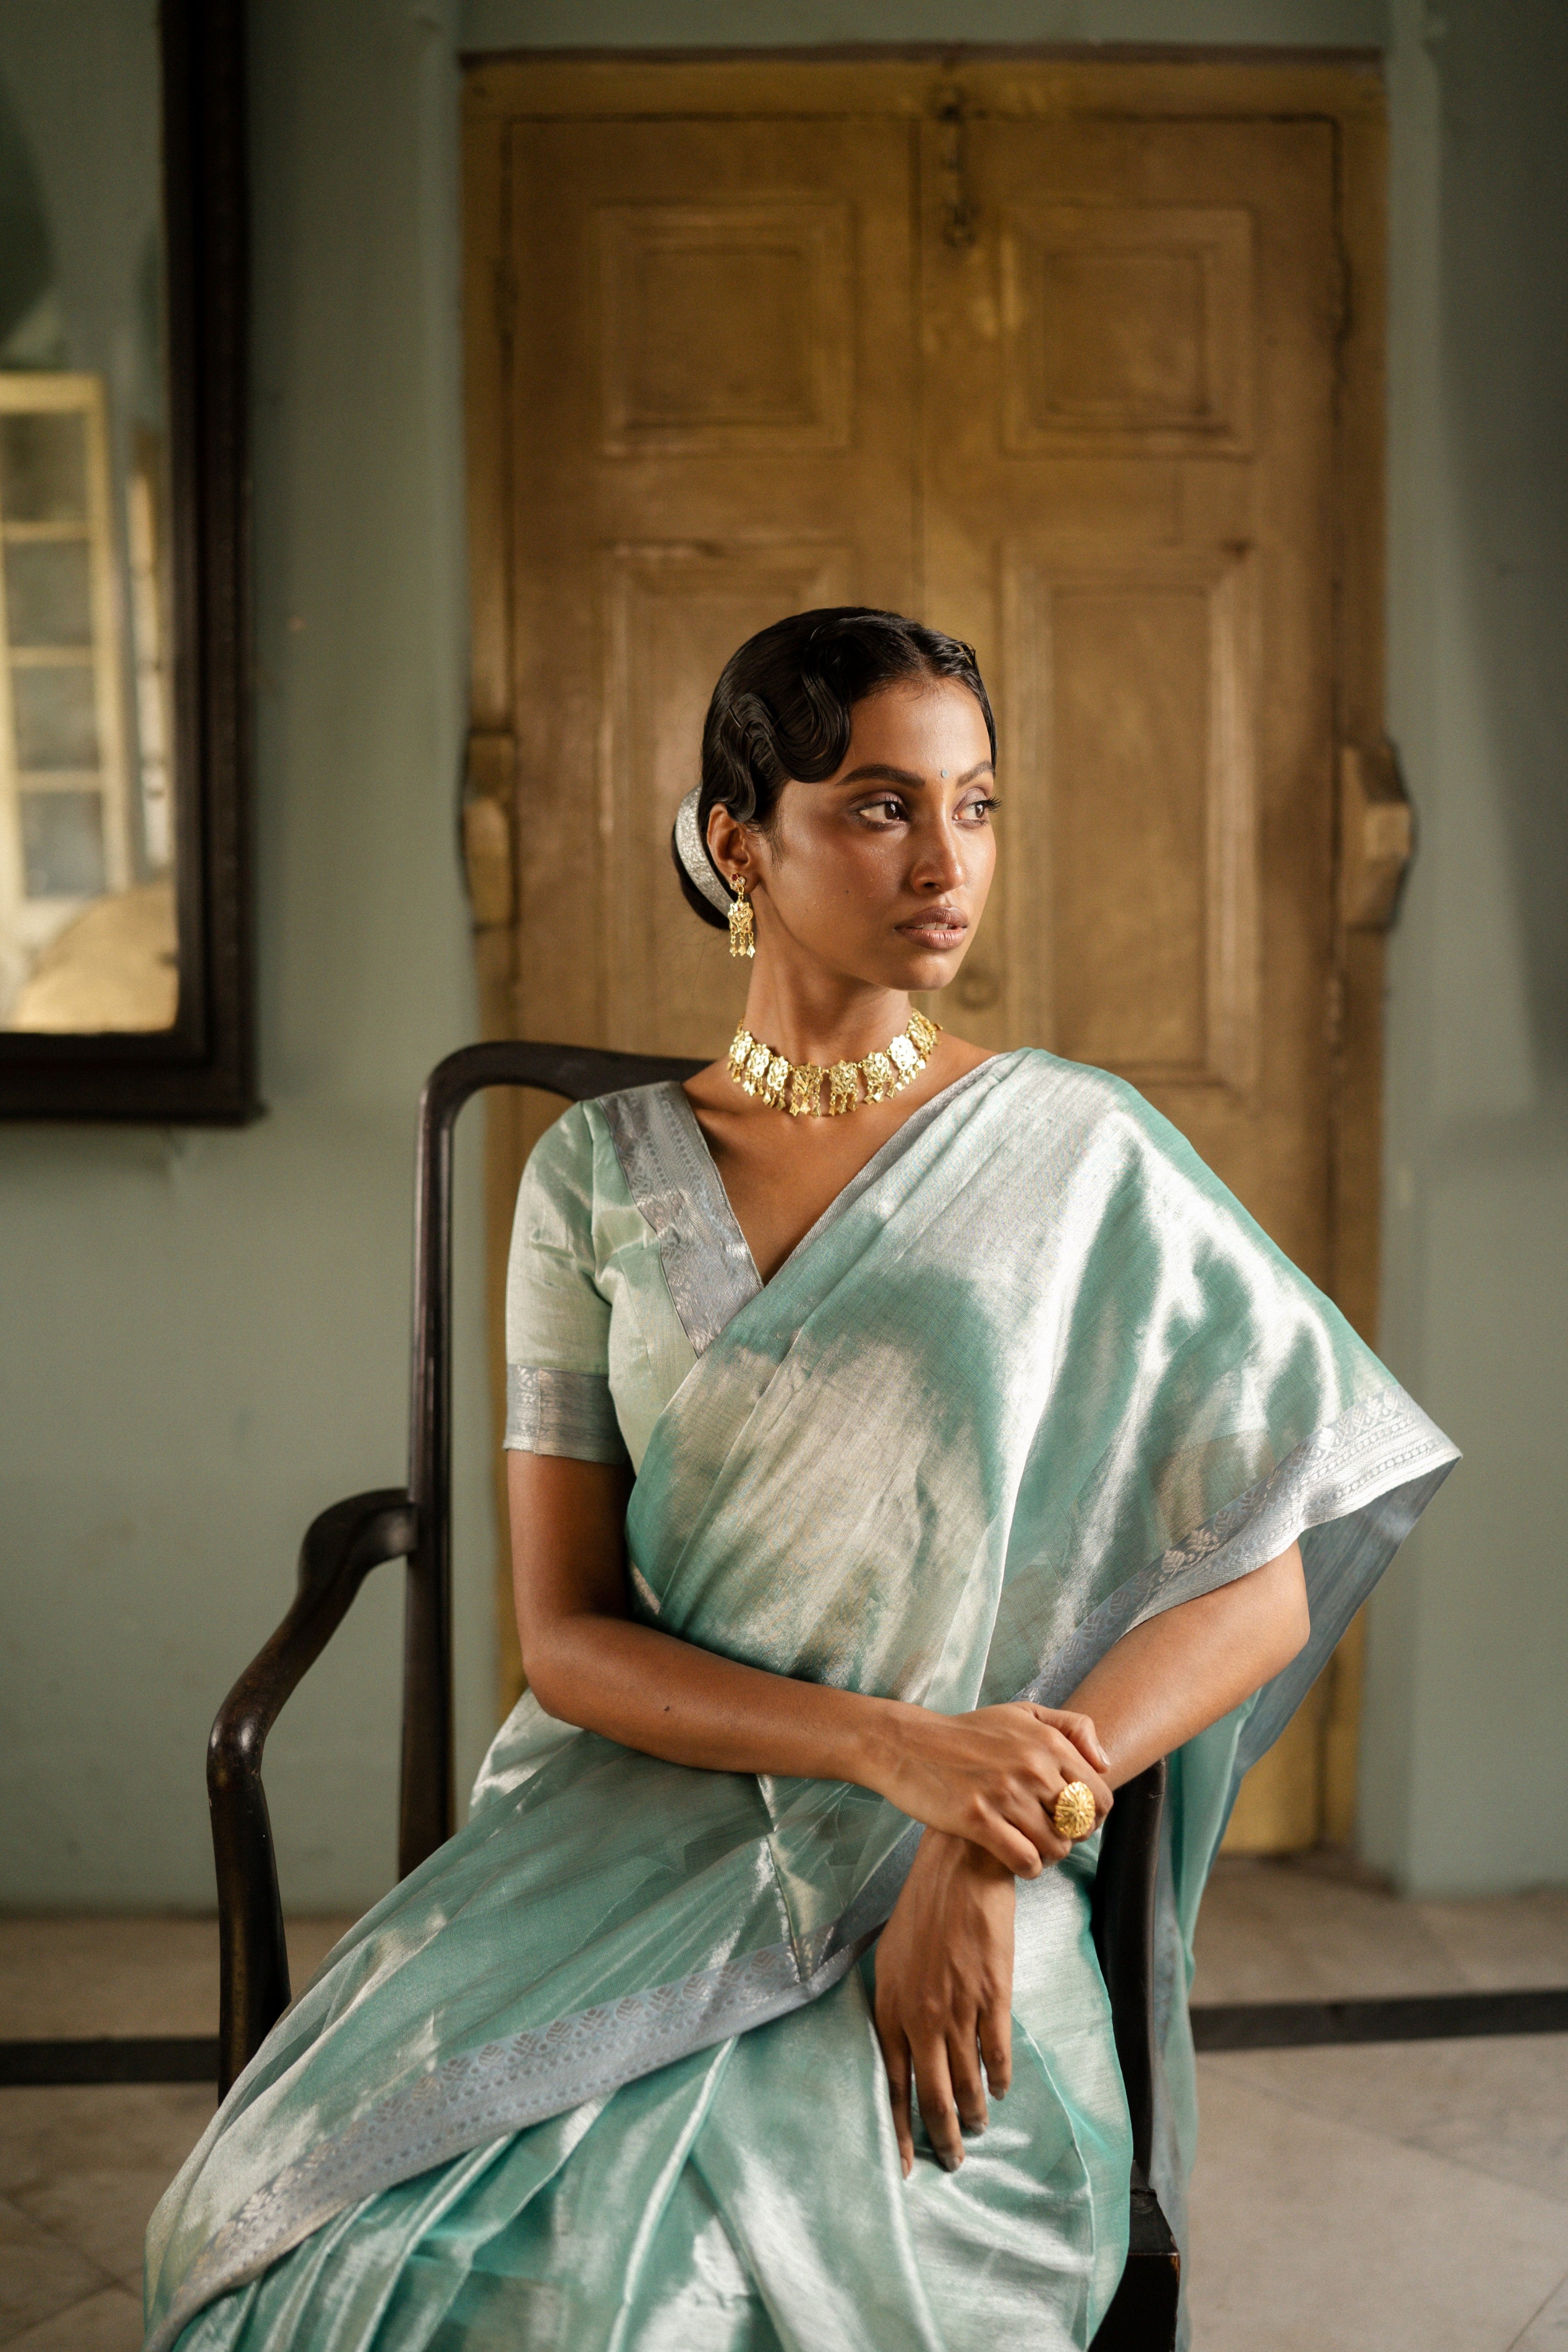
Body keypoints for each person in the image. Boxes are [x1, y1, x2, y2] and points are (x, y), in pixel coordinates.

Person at [145, 610, 1456, 2352]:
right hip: (623, 1822)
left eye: (977, 805)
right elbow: (572, 1641)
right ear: (736, 841)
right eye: (880, 805)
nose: (948, 861)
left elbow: (1262, 1584)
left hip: (965, 1851)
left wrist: (989, 1845)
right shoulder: (595, 1181)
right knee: (300, 2250)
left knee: (683, 2287)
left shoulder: (1083, 1156)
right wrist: (893, 1747)